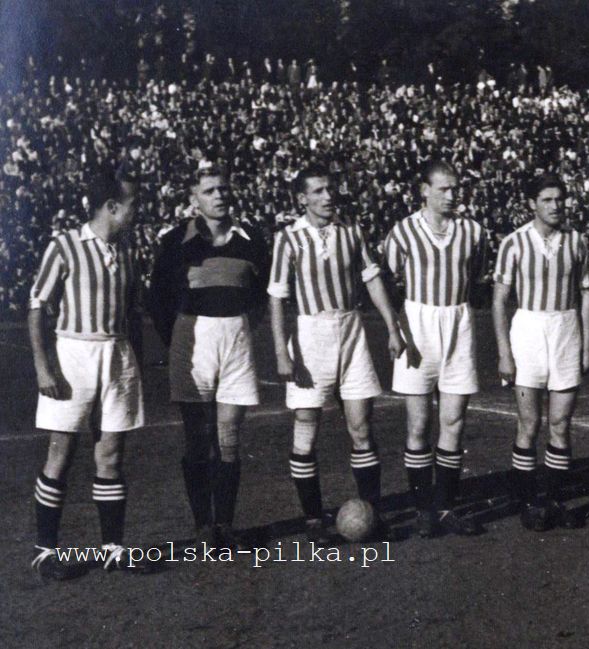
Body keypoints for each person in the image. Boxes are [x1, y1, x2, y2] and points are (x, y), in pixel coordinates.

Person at [268, 164, 405, 543]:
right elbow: (277, 298)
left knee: (362, 427)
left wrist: (393, 328)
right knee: (306, 430)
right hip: (311, 334)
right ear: (302, 199)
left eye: (330, 189)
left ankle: (370, 512)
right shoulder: (288, 239)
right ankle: (313, 520)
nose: (327, 197)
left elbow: (372, 279)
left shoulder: (351, 231)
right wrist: (282, 351)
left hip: (351, 332)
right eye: (317, 191)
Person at [28, 165, 150, 579]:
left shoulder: (129, 249)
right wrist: (44, 367)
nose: (139, 211)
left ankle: (113, 548)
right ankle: (45, 552)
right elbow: (37, 308)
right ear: (112, 207)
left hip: (117, 356)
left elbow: (133, 311)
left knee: (111, 454)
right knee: (61, 453)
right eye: (134, 204)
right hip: (74, 354)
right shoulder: (64, 246)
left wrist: (137, 362)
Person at [149, 164, 269, 550]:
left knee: (230, 437)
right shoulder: (174, 241)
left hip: (236, 337)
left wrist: (242, 327)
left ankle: (226, 525)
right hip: (192, 337)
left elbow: (262, 293)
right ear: (194, 199)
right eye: (209, 191)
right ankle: (203, 526)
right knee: (199, 438)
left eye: (223, 188)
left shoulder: (252, 238)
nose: (218, 196)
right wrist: (177, 340)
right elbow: (158, 299)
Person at [384, 160, 489, 537]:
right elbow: (387, 281)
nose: (451, 195)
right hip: (418, 325)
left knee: (453, 422)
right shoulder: (403, 232)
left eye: (455, 188)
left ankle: (446, 507)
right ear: (423, 190)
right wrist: (398, 326)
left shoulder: (474, 232)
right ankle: (421, 509)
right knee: (419, 423)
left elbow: (476, 277)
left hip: (458, 324)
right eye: (443, 189)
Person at [492, 173, 589, 531]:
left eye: (560, 199)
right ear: (532, 203)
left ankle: (554, 499)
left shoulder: (577, 241)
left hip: (566, 331)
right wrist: (504, 352)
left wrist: (588, 344)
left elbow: (586, 295)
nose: (555, 206)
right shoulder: (514, 243)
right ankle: (526, 500)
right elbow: (500, 300)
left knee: (560, 423)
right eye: (547, 199)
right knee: (529, 422)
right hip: (528, 330)